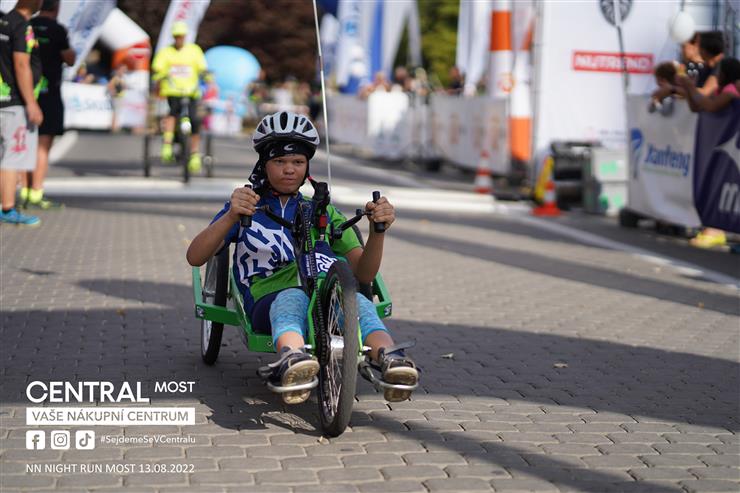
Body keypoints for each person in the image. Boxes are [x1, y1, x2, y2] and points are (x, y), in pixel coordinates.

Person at [186, 111, 419, 404]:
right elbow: (195, 256)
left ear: (307, 166)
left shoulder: (325, 212)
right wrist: (232, 216)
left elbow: (364, 274)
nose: (289, 169)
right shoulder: (246, 207)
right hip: (267, 295)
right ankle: (292, 359)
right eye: (279, 161)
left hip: (325, 293)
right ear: (263, 163)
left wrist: (377, 231)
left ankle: (390, 358)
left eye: (297, 162)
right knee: (292, 298)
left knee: (358, 301)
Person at [18, 0, 74, 210]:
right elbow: (70, 59)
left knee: (24, 144)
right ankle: (36, 192)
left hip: (25, 92)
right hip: (49, 92)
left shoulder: (27, 25)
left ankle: (24, 189)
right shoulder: (58, 30)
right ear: (56, 8)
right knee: (42, 146)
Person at [0, 0, 43, 226]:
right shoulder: (22, 26)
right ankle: (7, 208)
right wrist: (31, 103)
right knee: (11, 157)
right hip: (14, 101)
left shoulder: (3, 22)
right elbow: (21, 64)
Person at [151, 21, 208, 173]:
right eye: (176, 36)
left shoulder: (194, 50)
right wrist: (159, 75)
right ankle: (167, 145)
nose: (179, 39)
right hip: (173, 91)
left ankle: (194, 154)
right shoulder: (166, 52)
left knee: (195, 120)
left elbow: (203, 68)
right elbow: (157, 68)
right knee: (172, 114)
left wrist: (206, 77)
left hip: (191, 92)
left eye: (181, 36)